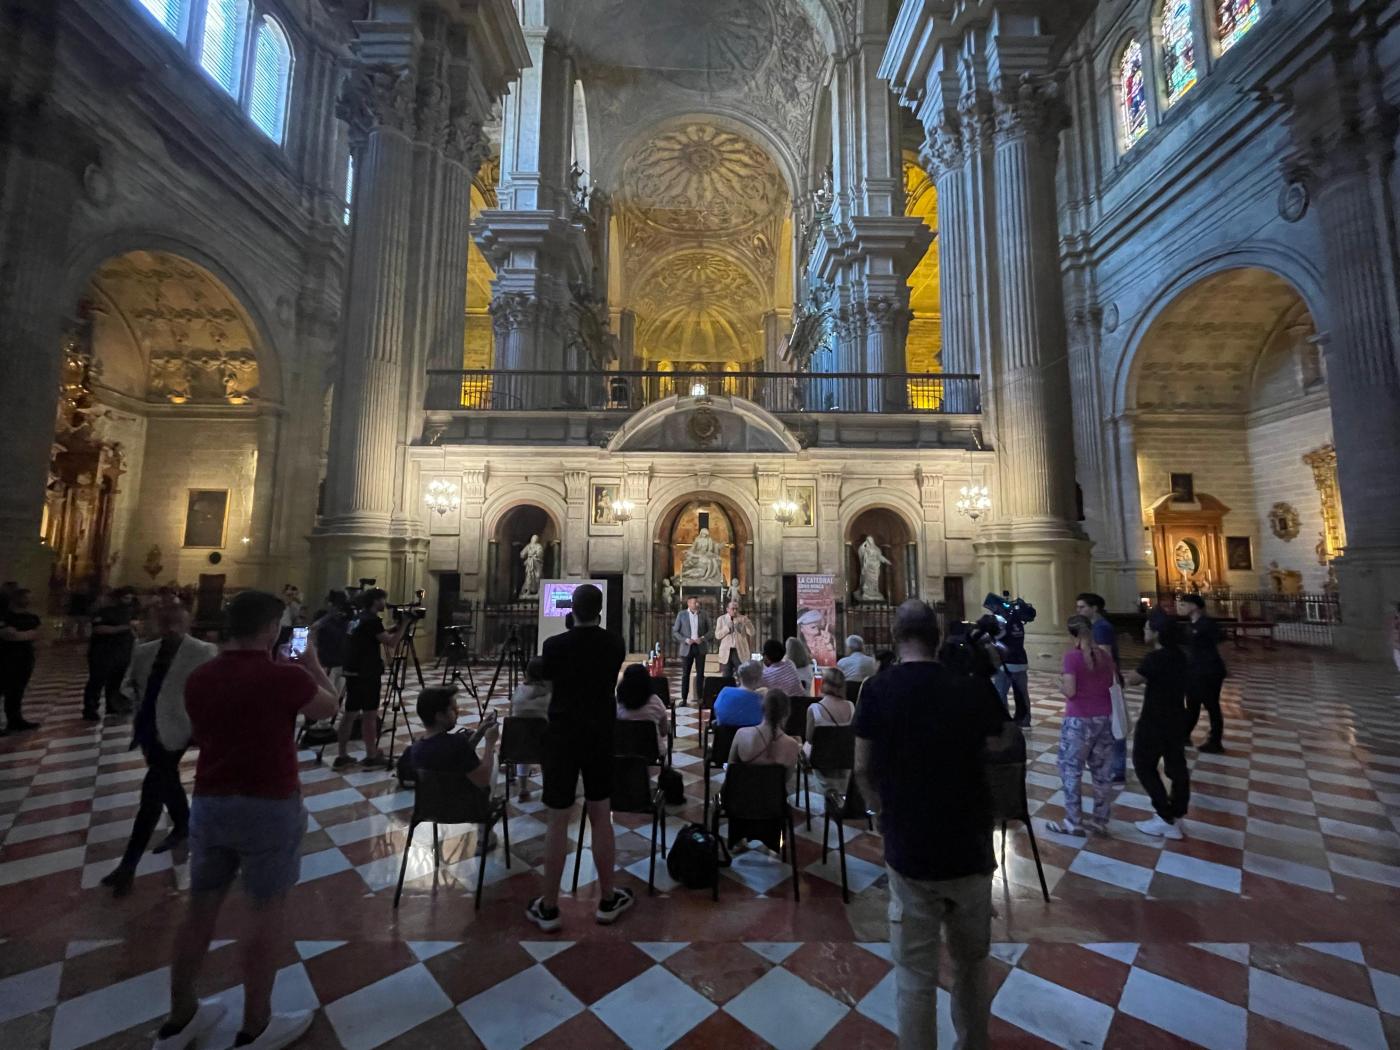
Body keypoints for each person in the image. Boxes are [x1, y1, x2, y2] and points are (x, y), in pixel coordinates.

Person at [154, 590, 338, 1050]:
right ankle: (255, 1025)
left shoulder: (200, 677)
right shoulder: (283, 678)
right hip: (268, 803)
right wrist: (309, 659)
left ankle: (180, 1018)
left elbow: (198, 732)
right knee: (264, 912)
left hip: (211, 801)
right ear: (270, 629)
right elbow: (328, 708)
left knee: (199, 910)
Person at [854, 600, 1012, 1050]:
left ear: (894, 636)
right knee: (972, 969)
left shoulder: (878, 690)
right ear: (938, 637)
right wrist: (985, 676)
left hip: (910, 848)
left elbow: (862, 768)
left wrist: (881, 813)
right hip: (971, 846)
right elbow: (1003, 740)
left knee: (914, 977)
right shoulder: (967, 687)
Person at [528, 584, 633, 932]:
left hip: (561, 735)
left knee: (558, 819)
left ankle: (549, 906)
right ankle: (606, 898)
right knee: (601, 814)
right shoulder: (614, 644)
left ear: (571, 610)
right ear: (600, 611)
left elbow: (546, 676)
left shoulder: (554, 646)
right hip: (600, 734)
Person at [100, 604, 218, 896]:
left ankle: (128, 865)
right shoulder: (144, 650)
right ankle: (183, 824)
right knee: (166, 779)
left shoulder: (203, 652)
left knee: (151, 792)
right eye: (165, 621)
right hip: (148, 728)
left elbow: (209, 693)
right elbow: (132, 683)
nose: (171, 627)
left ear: (187, 622)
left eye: (176, 621)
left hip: (178, 730)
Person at [1046, 616, 1117, 837]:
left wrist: (1057, 683)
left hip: (1078, 720)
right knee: (1102, 773)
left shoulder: (1072, 658)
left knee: (1070, 770)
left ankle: (1073, 821)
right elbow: (1109, 684)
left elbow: (1071, 692)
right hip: (1103, 718)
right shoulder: (1105, 656)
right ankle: (1099, 821)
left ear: (1072, 635)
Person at [1129, 611, 1191, 840]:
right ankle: (1177, 811)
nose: (1144, 631)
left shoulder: (1155, 658)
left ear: (1157, 633)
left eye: (1147, 628)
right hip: (1177, 716)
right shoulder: (1180, 655)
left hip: (1155, 718)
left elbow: (1133, 679)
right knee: (1176, 766)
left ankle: (1164, 816)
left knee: (1143, 764)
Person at [340, 589, 406, 770]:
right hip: (367, 672)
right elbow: (391, 643)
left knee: (349, 714)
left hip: (352, 670)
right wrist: (405, 625)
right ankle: (371, 755)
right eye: (383, 599)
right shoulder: (373, 620)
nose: (385, 603)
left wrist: (392, 628)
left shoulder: (357, 618)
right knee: (370, 715)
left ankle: (342, 754)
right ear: (376, 601)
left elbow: (370, 636)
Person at [401, 685, 499, 797]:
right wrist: (489, 744)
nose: (457, 712)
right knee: (494, 758)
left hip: (429, 809)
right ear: (440, 716)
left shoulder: (413, 750)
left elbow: (457, 756)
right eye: (453, 709)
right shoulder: (457, 744)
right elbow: (483, 780)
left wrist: (479, 732)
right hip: (466, 809)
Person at [1076, 593, 1128, 786]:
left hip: (1107, 681)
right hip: (1105, 681)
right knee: (1105, 724)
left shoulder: (1101, 628)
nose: (1078, 610)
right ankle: (1108, 765)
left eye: (1082, 607)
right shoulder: (1095, 627)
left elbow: (1104, 657)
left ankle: (1118, 769)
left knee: (1115, 725)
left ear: (1094, 608)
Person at [1177, 593, 1227, 753]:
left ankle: (1215, 741)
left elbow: (1220, 641)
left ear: (1194, 606)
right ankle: (1183, 735)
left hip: (1209, 671)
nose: (1180, 607)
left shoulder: (1207, 624)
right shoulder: (1190, 625)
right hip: (1194, 671)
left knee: (1212, 705)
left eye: (1183, 604)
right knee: (1192, 704)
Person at [729, 689, 802, 792]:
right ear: (786, 713)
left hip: (740, 799)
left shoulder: (741, 734)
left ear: (762, 708)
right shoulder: (792, 745)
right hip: (773, 802)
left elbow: (731, 769)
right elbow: (785, 780)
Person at [84, 585, 139, 721]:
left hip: (122, 650)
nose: (128, 600)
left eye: (130, 598)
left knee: (116, 681)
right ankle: (90, 709)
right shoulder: (103, 611)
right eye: (126, 597)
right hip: (103, 651)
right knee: (97, 680)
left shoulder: (130, 611)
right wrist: (124, 627)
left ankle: (112, 705)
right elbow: (99, 629)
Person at [804, 667, 854, 795]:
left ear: (824, 683)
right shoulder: (851, 706)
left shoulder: (814, 709)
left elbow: (809, 738)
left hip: (821, 761)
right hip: (845, 760)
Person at [509, 656, 551, 802]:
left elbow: (511, 715)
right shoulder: (549, 695)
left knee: (524, 739)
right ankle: (548, 789)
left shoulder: (518, 691)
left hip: (517, 747)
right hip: (544, 746)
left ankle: (522, 788)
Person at [0, 588, 42, 733]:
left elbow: (41, 635)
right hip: (5, 657)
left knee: (16, 691)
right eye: (26, 597)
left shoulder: (32, 617)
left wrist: (21, 634)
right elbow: (8, 635)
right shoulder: (5, 616)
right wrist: (28, 634)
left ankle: (15, 720)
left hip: (25, 658)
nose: (29, 600)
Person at [616, 663, 670, 753]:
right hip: (652, 751)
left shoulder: (619, 703)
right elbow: (663, 731)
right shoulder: (655, 701)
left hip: (625, 751)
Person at [671, 594, 711, 706]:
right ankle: (684, 699)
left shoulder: (704, 614)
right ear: (688, 603)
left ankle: (700, 699)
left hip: (700, 647)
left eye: (697, 602)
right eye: (694, 602)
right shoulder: (682, 614)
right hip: (687, 647)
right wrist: (685, 640)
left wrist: (702, 638)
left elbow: (711, 631)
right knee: (685, 674)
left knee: (700, 674)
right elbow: (675, 632)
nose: (697, 604)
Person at [713, 660, 765, 727]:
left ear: (740, 677)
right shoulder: (761, 700)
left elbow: (716, 712)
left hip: (724, 736)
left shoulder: (725, 692)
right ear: (758, 679)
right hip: (750, 736)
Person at [714, 599, 756, 680]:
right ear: (727, 609)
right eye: (733, 608)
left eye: (736, 608)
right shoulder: (721, 619)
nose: (735, 610)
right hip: (727, 652)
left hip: (739, 650)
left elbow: (752, 633)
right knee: (726, 676)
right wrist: (727, 629)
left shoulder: (743, 619)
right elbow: (717, 635)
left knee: (742, 676)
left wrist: (747, 623)